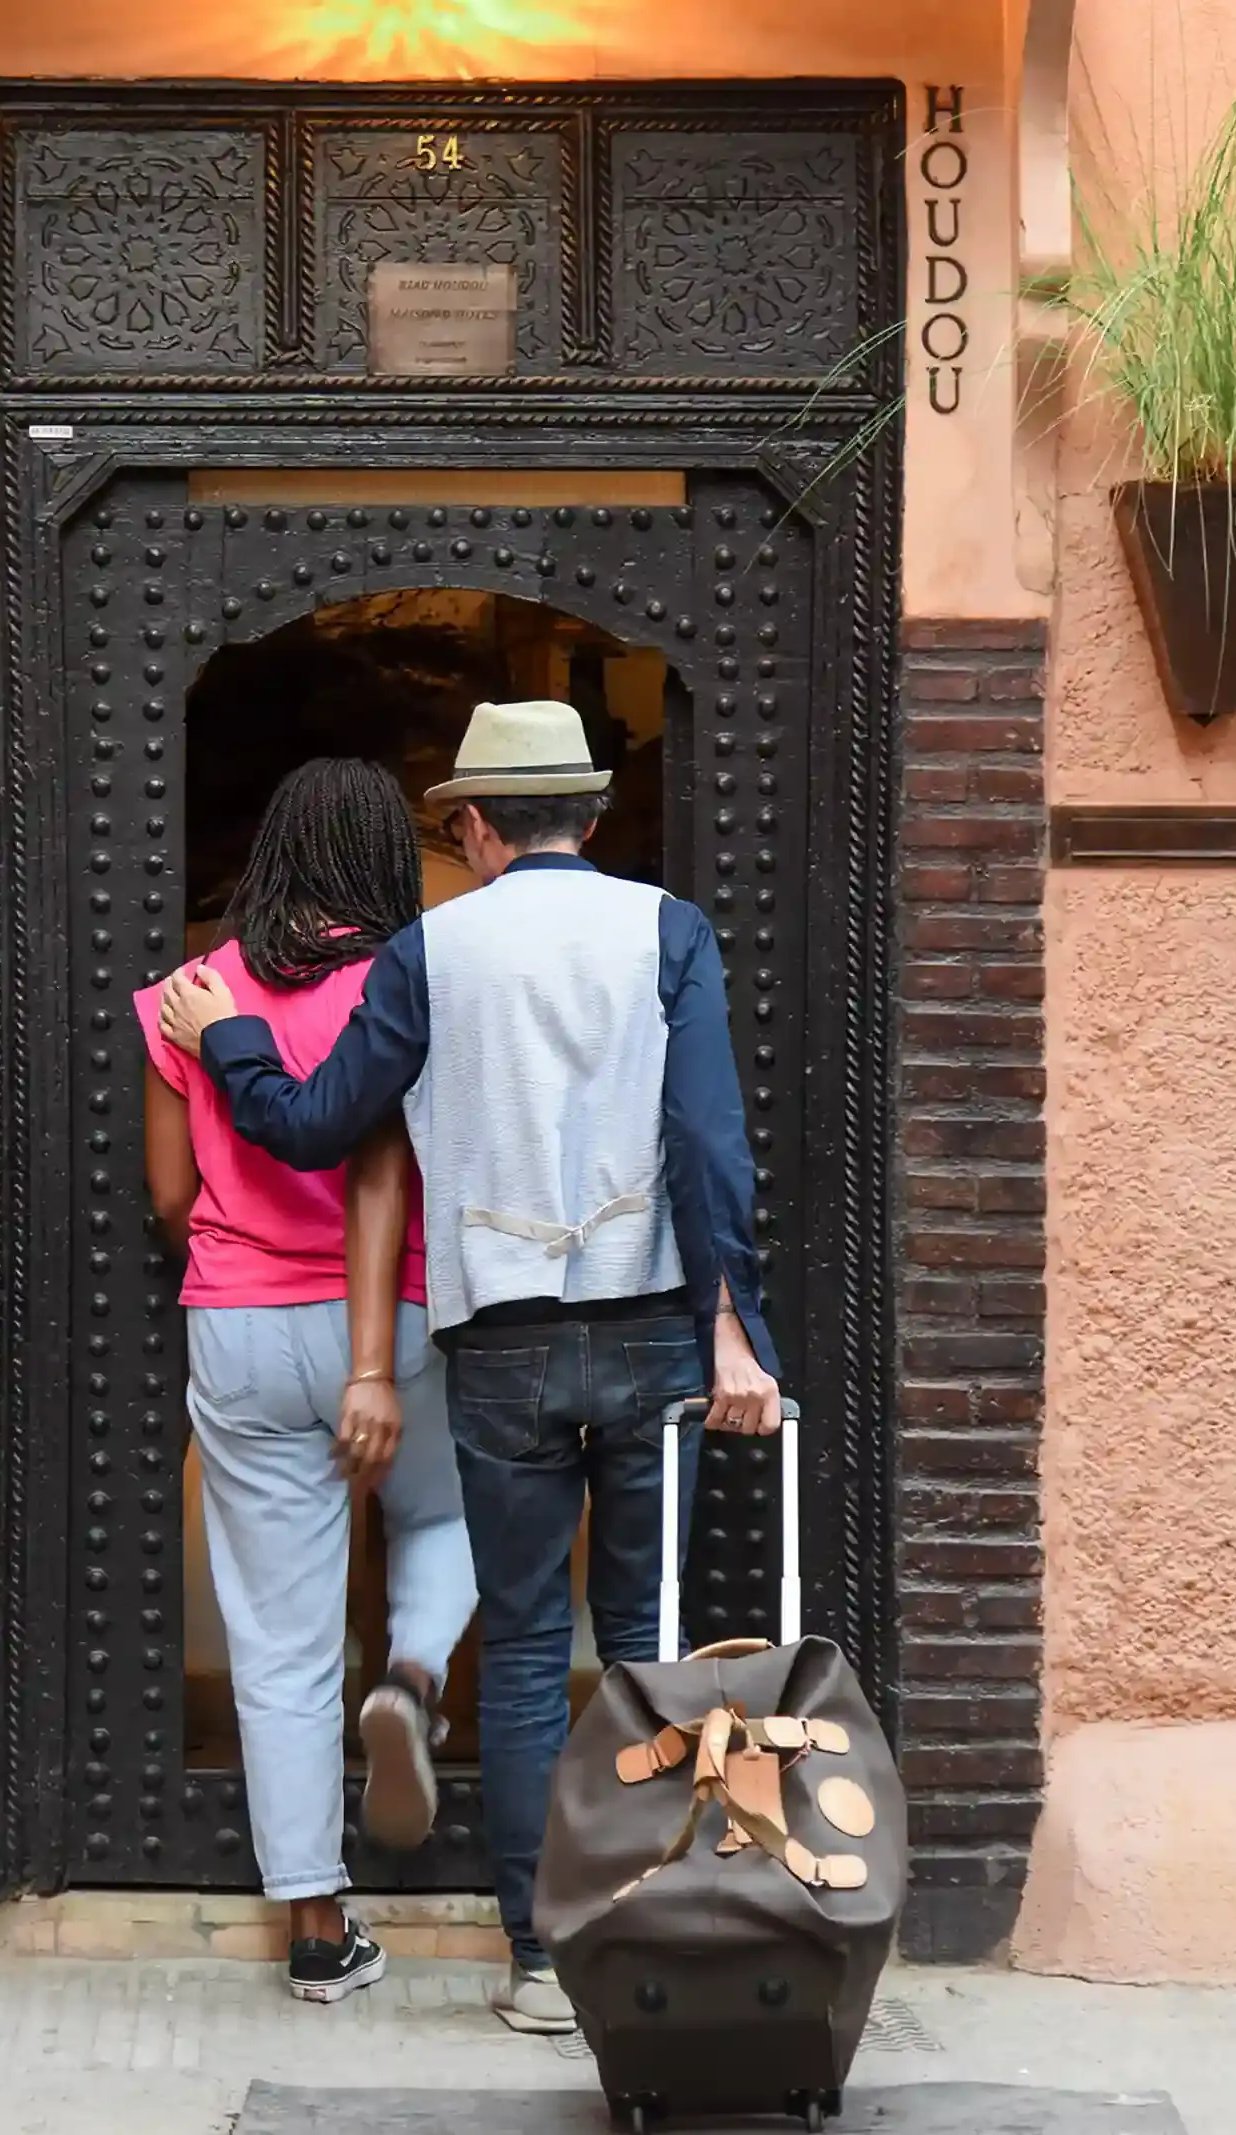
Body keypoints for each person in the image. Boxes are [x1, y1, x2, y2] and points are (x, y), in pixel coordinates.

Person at [158, 699, 782, 2036]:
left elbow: (322, 1127)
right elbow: (711, 1146)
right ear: (595, 818)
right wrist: (736, 1331)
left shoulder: (431, 950)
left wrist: (231, 1040)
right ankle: (640, 1924)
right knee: (639, 1639)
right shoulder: (668, 929)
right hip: (649, 1322)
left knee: (522, 1646)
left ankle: (538, 1957)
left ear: (478, 825)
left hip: (497, 1339)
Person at [138, 757, 477, 2006]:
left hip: (234, 1322)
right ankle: (413, 1675)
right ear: (384, 859)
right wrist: (370, 1353)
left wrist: (238, 1250)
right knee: (446, 1511)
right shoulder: (403, 986)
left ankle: (319, 1931)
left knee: (275, 1638)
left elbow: (170, 1196)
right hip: (384, 1315)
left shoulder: (193, 992)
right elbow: (389, 1159)